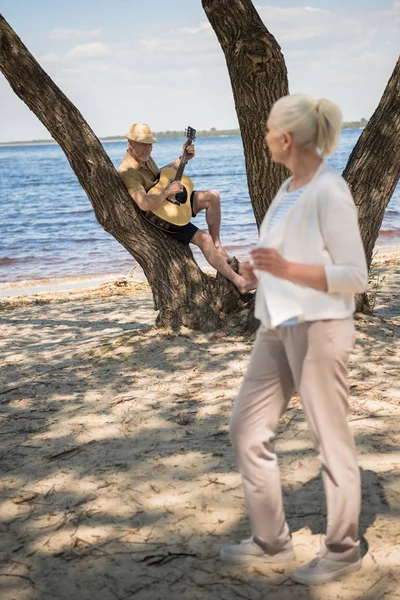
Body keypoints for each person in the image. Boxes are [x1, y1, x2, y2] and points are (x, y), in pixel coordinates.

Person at [219, 95, 368, 586]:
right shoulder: (287, 187)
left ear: (286, 138)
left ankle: (343, 548)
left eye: (267, 131)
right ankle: (271, 539)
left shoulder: (330, 190)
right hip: (276, 324)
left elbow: (354, 275)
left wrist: (287, 269)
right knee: (246, 427)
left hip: (320, 327)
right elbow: (287, 257)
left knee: (330, 441)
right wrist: (259, 272)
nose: (263, 138)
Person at [117, 123, 254, 293]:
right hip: (161, 219)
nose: (147, 149)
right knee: (205, 240)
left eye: (149, 144)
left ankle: (219, 245)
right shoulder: (128, 171)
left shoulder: (144, 158)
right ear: (130, 143)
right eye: (142, 144)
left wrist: (183, 159)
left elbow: (159, 176)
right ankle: (240, 283)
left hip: (169, 204)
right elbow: (143, 203)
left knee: (213, 196)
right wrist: (167, 191)